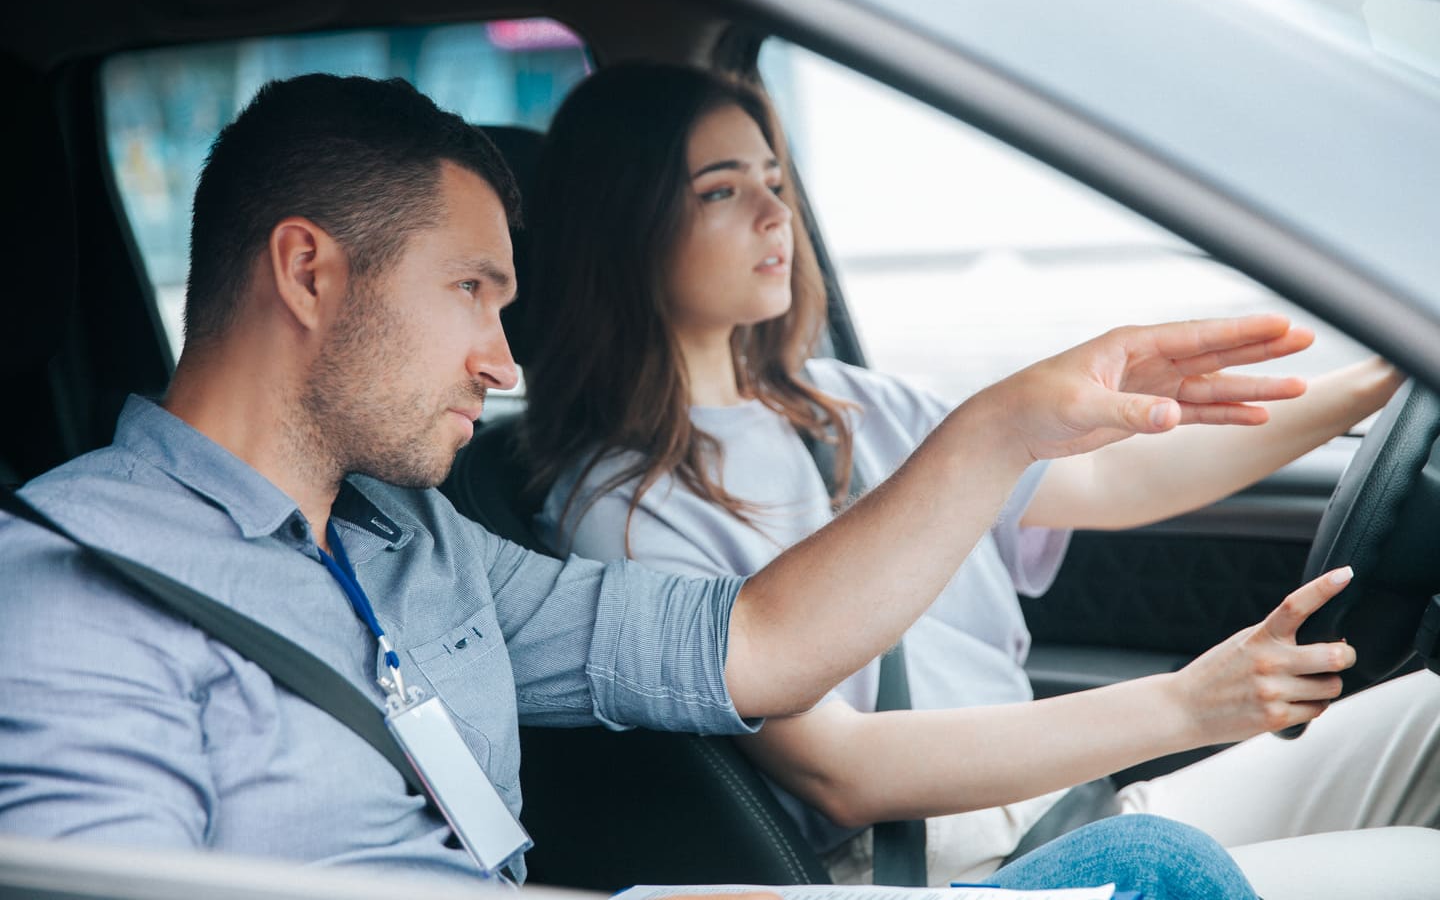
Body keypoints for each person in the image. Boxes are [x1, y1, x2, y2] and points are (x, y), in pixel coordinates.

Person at [0, 74, 1303, 899]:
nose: (502, 358)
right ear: (309, 273)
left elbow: (756, 642)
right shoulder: (69, 598)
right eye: (470, 293)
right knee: (1153, 868)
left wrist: (1001, 430)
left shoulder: (423, 546)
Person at [521, 63, 1440, 898]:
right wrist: (1186, 704)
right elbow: (845, 772)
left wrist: (1391, 371)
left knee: (1432, 714)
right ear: (623, 223)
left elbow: (1121, 484)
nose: (774, 214)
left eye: (773, 180)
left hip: (1066, 809)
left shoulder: (847, 402)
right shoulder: (626, 507)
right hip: (945, 872)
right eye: (721, 191)